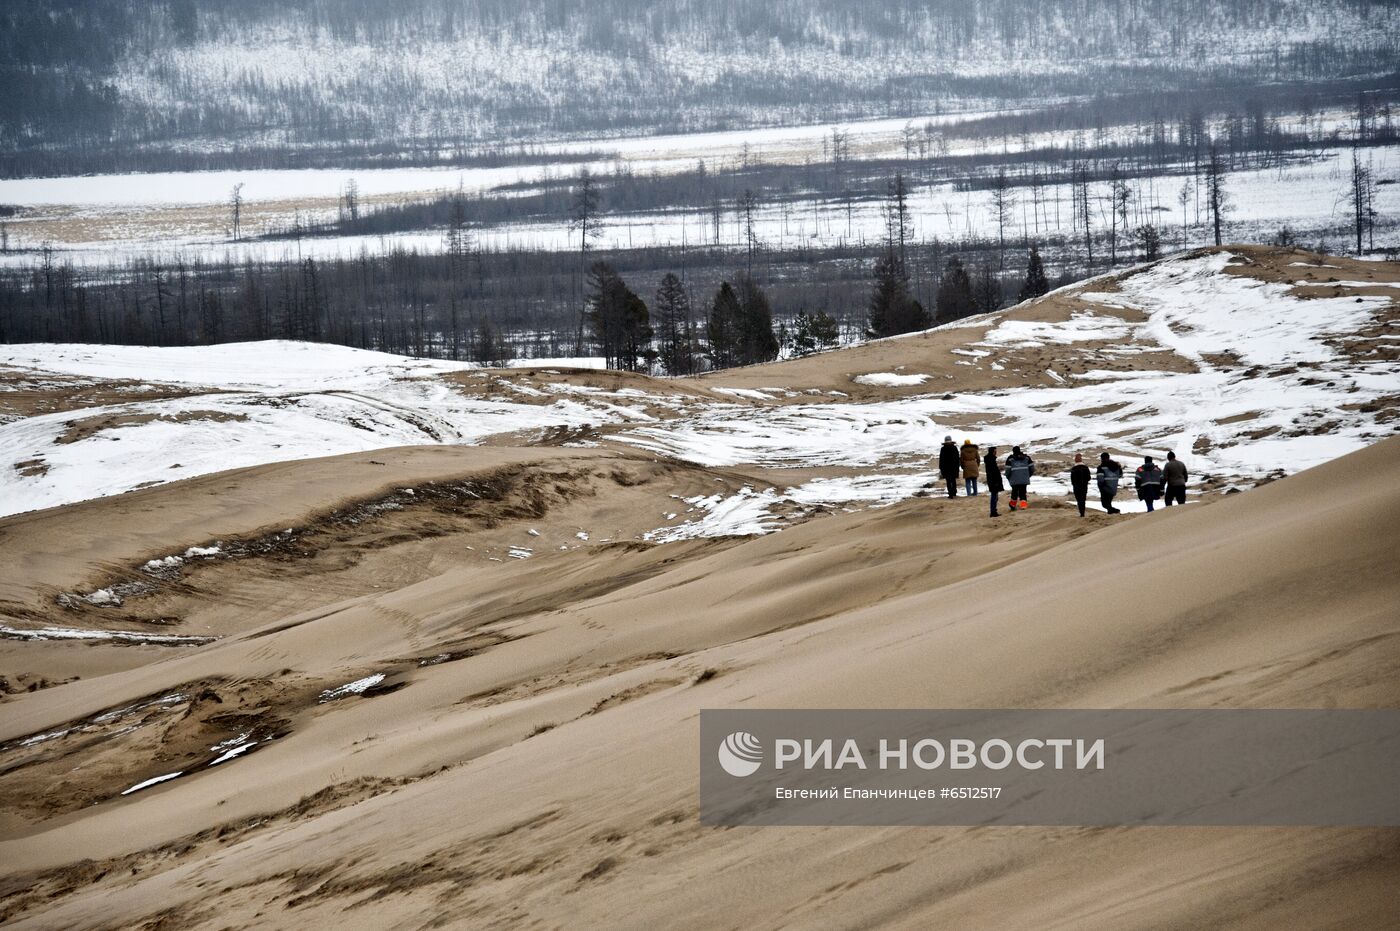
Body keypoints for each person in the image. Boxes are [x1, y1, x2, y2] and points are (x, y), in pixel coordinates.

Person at [1004, 446, 1034, 510]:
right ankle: (1023, 506)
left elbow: (1007, 470)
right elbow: (1032, 468)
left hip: (1014, 480)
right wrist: (1027, 475)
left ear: (1013, 451)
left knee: (1014, 492)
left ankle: (1012, 505)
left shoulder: (1010, 459)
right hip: (1024, 479)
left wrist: (1008, 477)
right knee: (1023, 492)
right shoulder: (1027, 458)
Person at [984, 445, 1004, 517]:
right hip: (993, 481)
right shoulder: (991, 460)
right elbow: (993, 472)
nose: (996, 452)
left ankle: (994, 510)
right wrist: (996, 482)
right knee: (994, 496)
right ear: (993, 452)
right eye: (995, 451)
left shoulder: (990, 460)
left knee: (995, 496)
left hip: (992, 480)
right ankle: (993, 512)